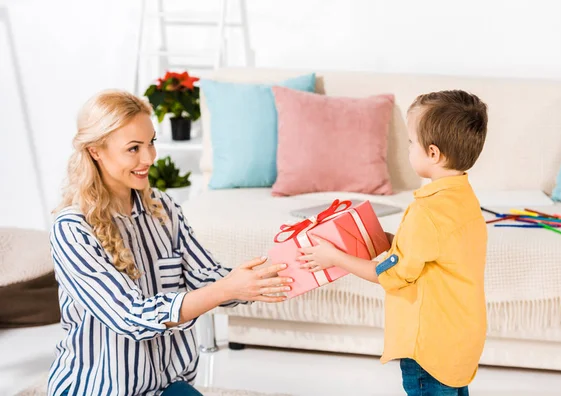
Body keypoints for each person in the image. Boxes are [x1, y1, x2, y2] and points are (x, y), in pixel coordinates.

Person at [47, 89, 294, 396]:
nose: (149, 158)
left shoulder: (162, 208)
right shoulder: (72, 229)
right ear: (96, 151)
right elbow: (129, 316)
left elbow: (207, 277)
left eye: (151, 142)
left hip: (166, 387)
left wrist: (269, 275)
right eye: (133, 149)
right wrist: (226, 288)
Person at [299, 90, 488, 396]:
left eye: (412, 143)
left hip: (430, 349)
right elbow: (432, 252)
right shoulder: (463, 199)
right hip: (460, 339)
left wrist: (332, 256)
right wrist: (386, 240)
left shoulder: (425, 212)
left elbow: (388, 275)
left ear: (433, 153)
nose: (408, 148)